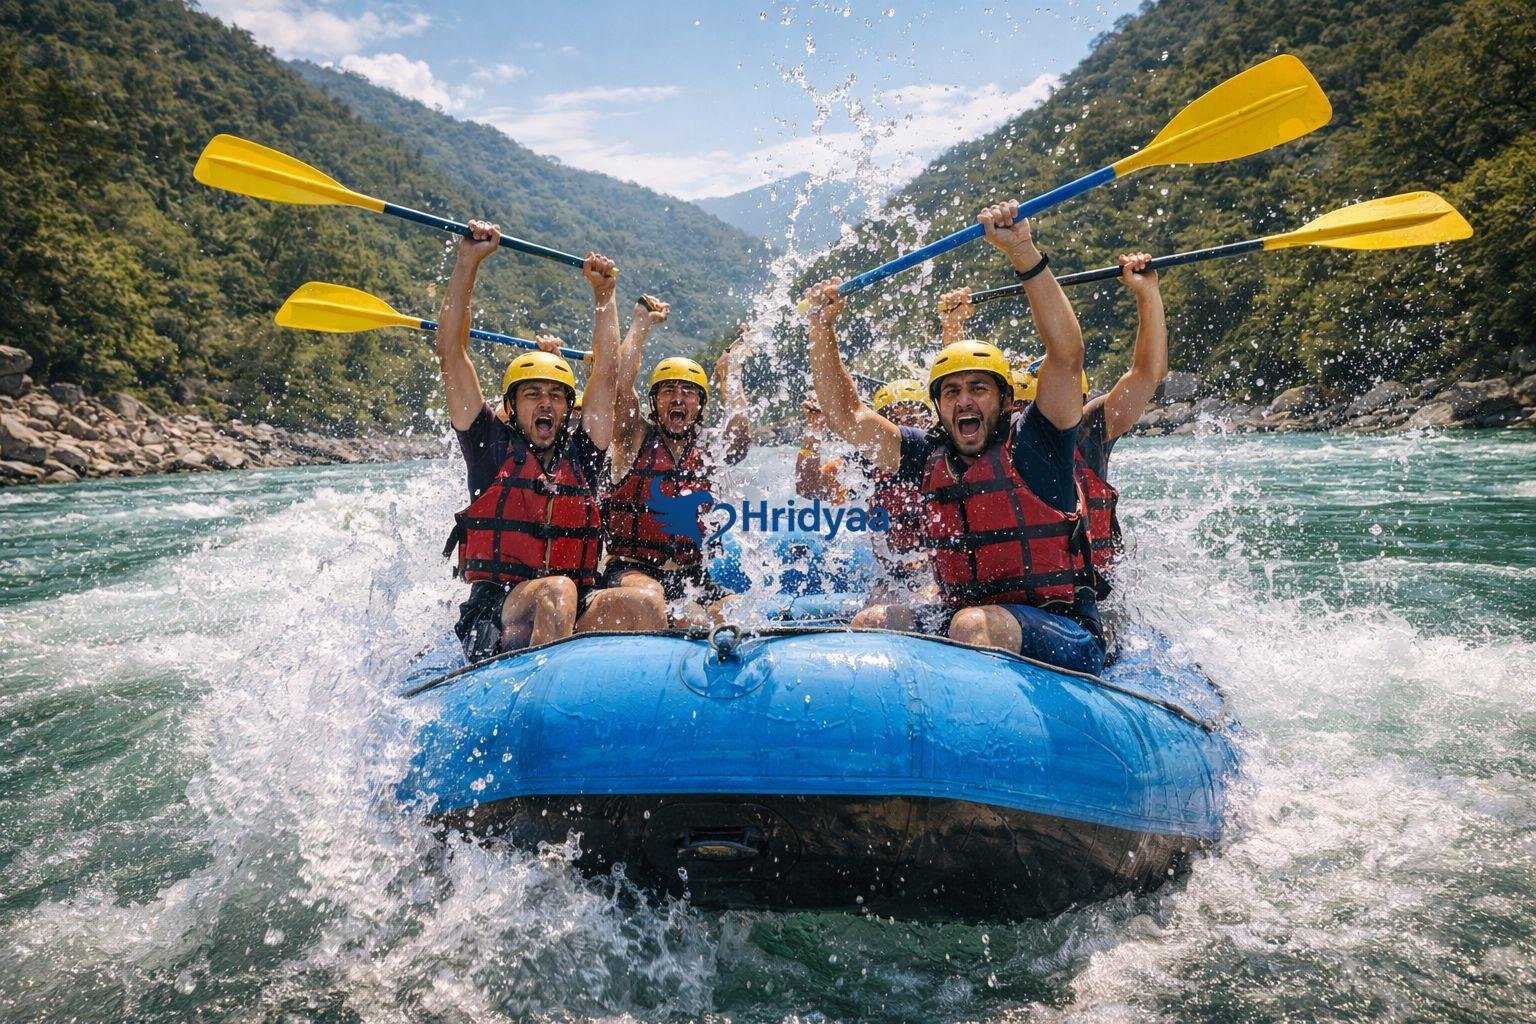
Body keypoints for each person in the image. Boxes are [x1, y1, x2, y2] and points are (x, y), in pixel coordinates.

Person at [802, 199, 1108, 675]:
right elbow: (847, 416)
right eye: (952, 392)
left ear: (1005, 401)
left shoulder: (1037, 444)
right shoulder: (926, 453)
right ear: (939, 406)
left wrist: (1022, 251)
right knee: (877, 617)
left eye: (978, 389)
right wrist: (822, 331)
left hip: (1061, 627)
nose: (965, 401)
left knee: (970, 626)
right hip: (967, 619)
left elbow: (1066, 354)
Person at [438, 220, 665, 660]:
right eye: (533, 394)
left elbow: (607, 379)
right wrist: (468, 262)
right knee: (556, 592)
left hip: (571, 599)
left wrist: (605, 297)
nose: (546, 404)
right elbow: (451, 352)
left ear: (567, 406)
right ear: (513, 404)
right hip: (499, 612)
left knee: (645, 604)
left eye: (556, 396)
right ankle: (538, 707)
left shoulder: (583, 454)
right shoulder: (489, 446)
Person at [600, 300, 752, 621]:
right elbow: (619, 387)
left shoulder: (708, 448)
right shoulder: (633, 439)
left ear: (699, 405)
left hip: (690, 573)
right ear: (654, 402)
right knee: (660, 602)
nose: (679, 398)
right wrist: (641, 325)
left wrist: (732, 372)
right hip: (632, 569)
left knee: (741, 615)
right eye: (669, 391)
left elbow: (739, 435)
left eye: (689, 392)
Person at [1015, 252, 1166, 570]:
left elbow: (1147, 374)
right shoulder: (993, 441)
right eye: (1021, 408)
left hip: (1093, 589)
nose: (1040, 418)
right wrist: (952, 325)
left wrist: (1147, 294)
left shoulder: (1089, 429)